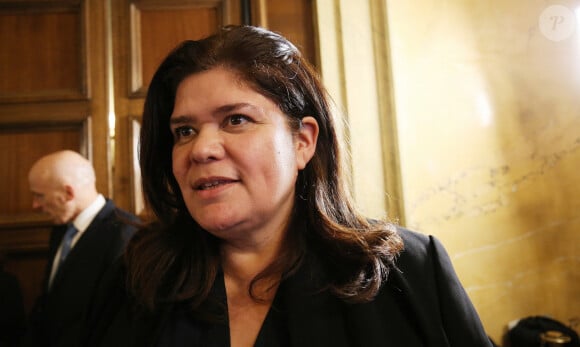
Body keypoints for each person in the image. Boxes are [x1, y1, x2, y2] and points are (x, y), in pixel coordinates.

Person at [84, 25, 493, 346]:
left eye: (236, 119)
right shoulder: (136, 280)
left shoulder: (410, 272)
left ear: (302, 142)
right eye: (185, 130)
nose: (201, 149)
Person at [23, 150, 138, 347]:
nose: (35, 205)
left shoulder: (126, 235)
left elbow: (119, 323)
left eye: (39, 196)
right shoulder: (61, 228)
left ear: (68, 193)